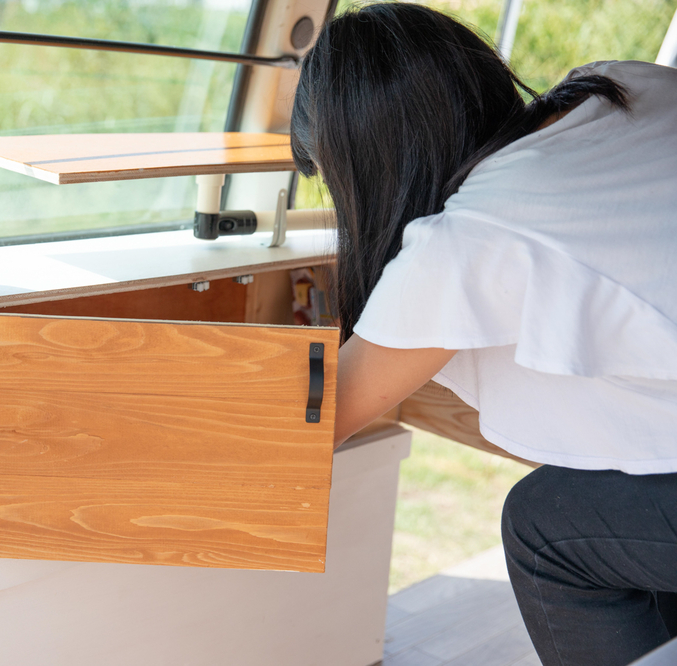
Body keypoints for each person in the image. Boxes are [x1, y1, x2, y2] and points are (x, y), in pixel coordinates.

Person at [289, 3, 677, 665]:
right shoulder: (625, 85)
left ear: (369, 163)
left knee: (545, 525)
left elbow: (314, 422)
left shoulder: (471, 240)